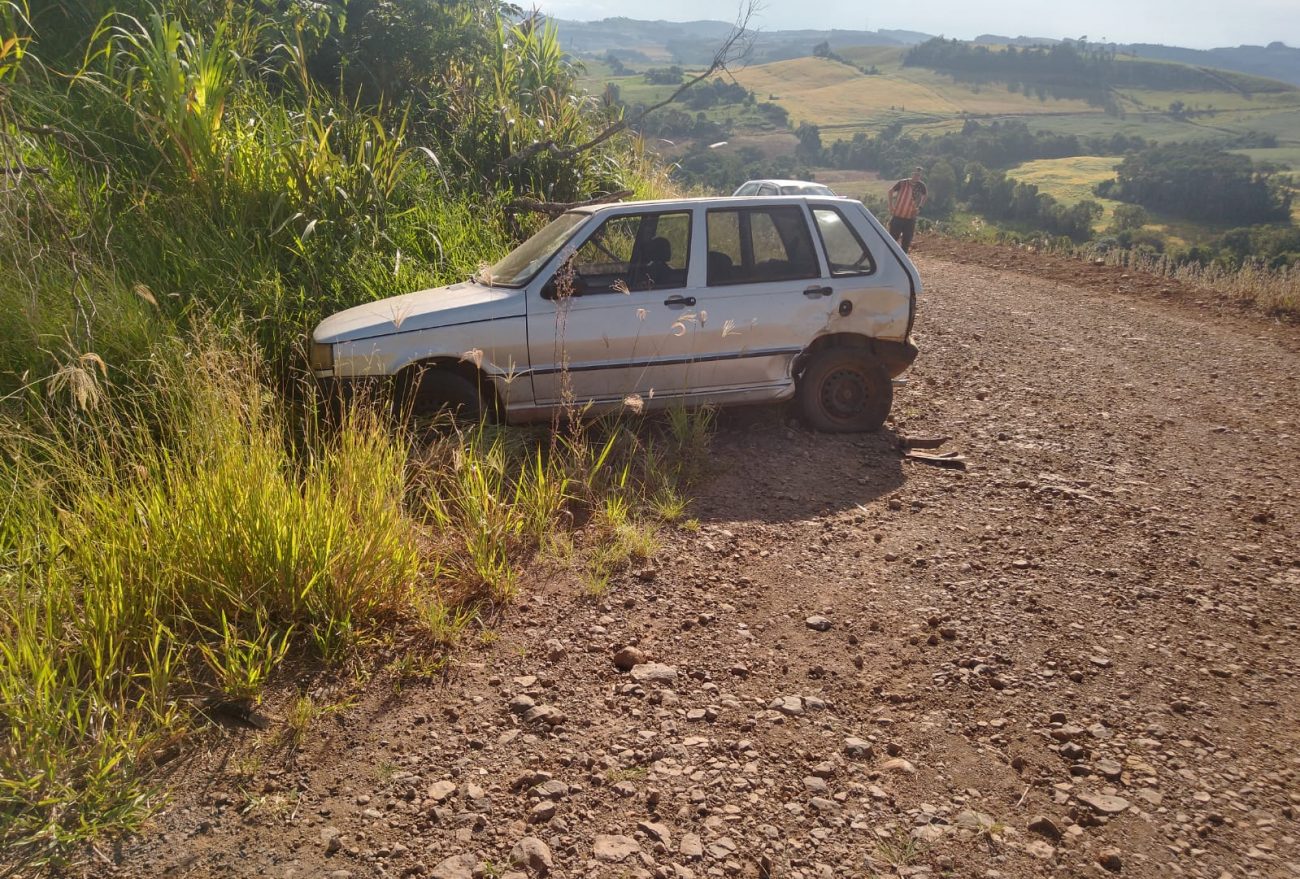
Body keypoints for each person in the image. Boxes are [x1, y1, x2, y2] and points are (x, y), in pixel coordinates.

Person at [887, 166, 928, 253]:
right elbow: (890, 191)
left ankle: (903, 262)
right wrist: (891, 205)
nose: (916, 176)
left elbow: (925, 196)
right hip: (898, 216)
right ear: (912, 174)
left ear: (920, 176)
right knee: (892, 240)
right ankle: (889, 257)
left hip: (910, 218)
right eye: (915, 174)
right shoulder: (902, 183)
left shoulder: (921, 186)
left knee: (906, 241)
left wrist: (920, 207)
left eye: (918, 175)